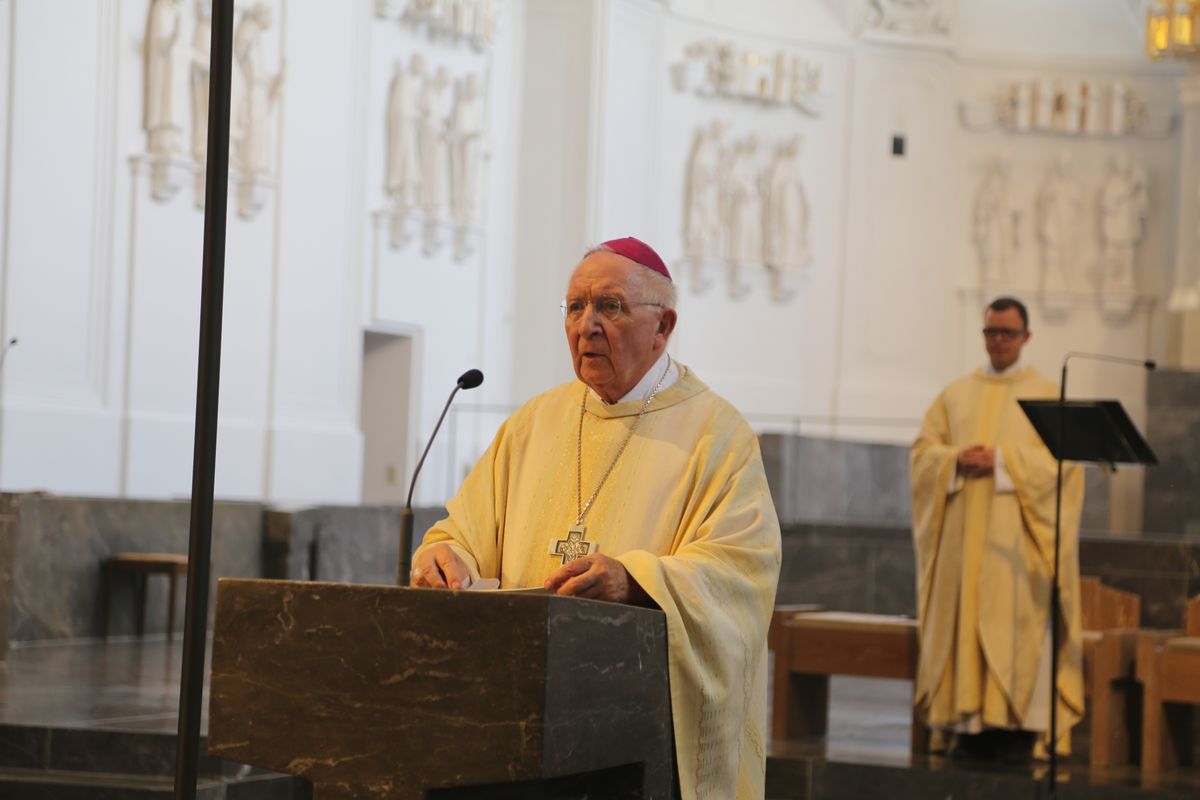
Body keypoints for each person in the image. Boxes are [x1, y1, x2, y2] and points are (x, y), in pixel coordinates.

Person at [411, 237, 782, 800]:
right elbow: (463, 531)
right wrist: (446, 556)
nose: (587, 326)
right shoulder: (533, 423)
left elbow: (741, 569)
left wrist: (634, 580)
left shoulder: (716, 435)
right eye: (576, 307)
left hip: (634, 735)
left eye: (610, 306)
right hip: (515, 720)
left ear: (663, 327)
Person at [909, 296, 1084, 763]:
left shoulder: (1048, 395)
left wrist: (1004, 462)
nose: (998, 340)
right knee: (965, 623)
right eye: (991, 332)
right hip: (962, 546)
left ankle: (1018, 727)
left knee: (1015, 626)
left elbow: (1065, 468)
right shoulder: (954, 394)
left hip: (1017, 549)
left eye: (1007, 332)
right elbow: (922, 454)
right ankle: (966, 725)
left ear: (1027, 337)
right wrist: (953, 460)